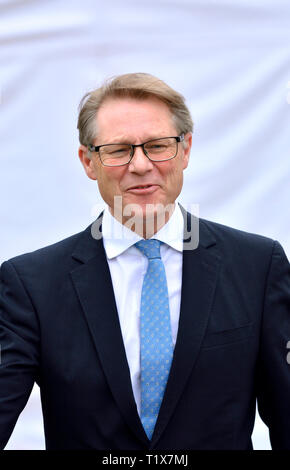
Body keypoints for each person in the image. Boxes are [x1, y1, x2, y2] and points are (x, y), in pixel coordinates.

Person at [0, 73, 289, 451]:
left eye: (157, 145)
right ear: (89, 161)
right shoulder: (31, 285)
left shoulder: (257, 267)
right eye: (119, 150)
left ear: (185, 150)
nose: (140, 165)